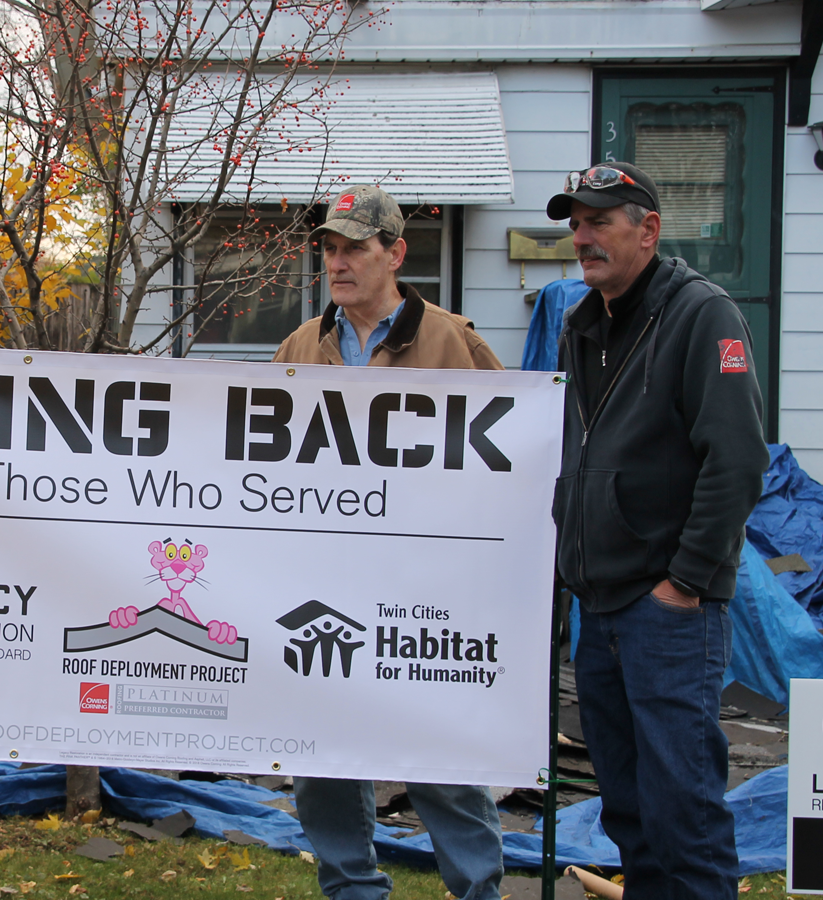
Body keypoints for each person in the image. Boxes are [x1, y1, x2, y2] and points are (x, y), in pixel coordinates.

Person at [272, 185, 506, 900]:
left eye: (355, 249)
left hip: (425, 592)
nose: (338, 264)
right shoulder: (299, 348)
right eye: (330, 250)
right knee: (323, 758)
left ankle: (478, 890)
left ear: (395, 253)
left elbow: (511, 463)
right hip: (327, 588)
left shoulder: (452, 343)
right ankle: (351, 887)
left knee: (440, 756)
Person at [548, 162, 767, 899]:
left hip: (666, 612)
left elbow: (736, 459)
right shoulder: (582, 325)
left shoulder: (702, 315)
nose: (584, 238)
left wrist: (686, 584)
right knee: (629, 811)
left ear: (648, 230)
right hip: (599, 605)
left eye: (600, 222)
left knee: (683, 813)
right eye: (576, 224)